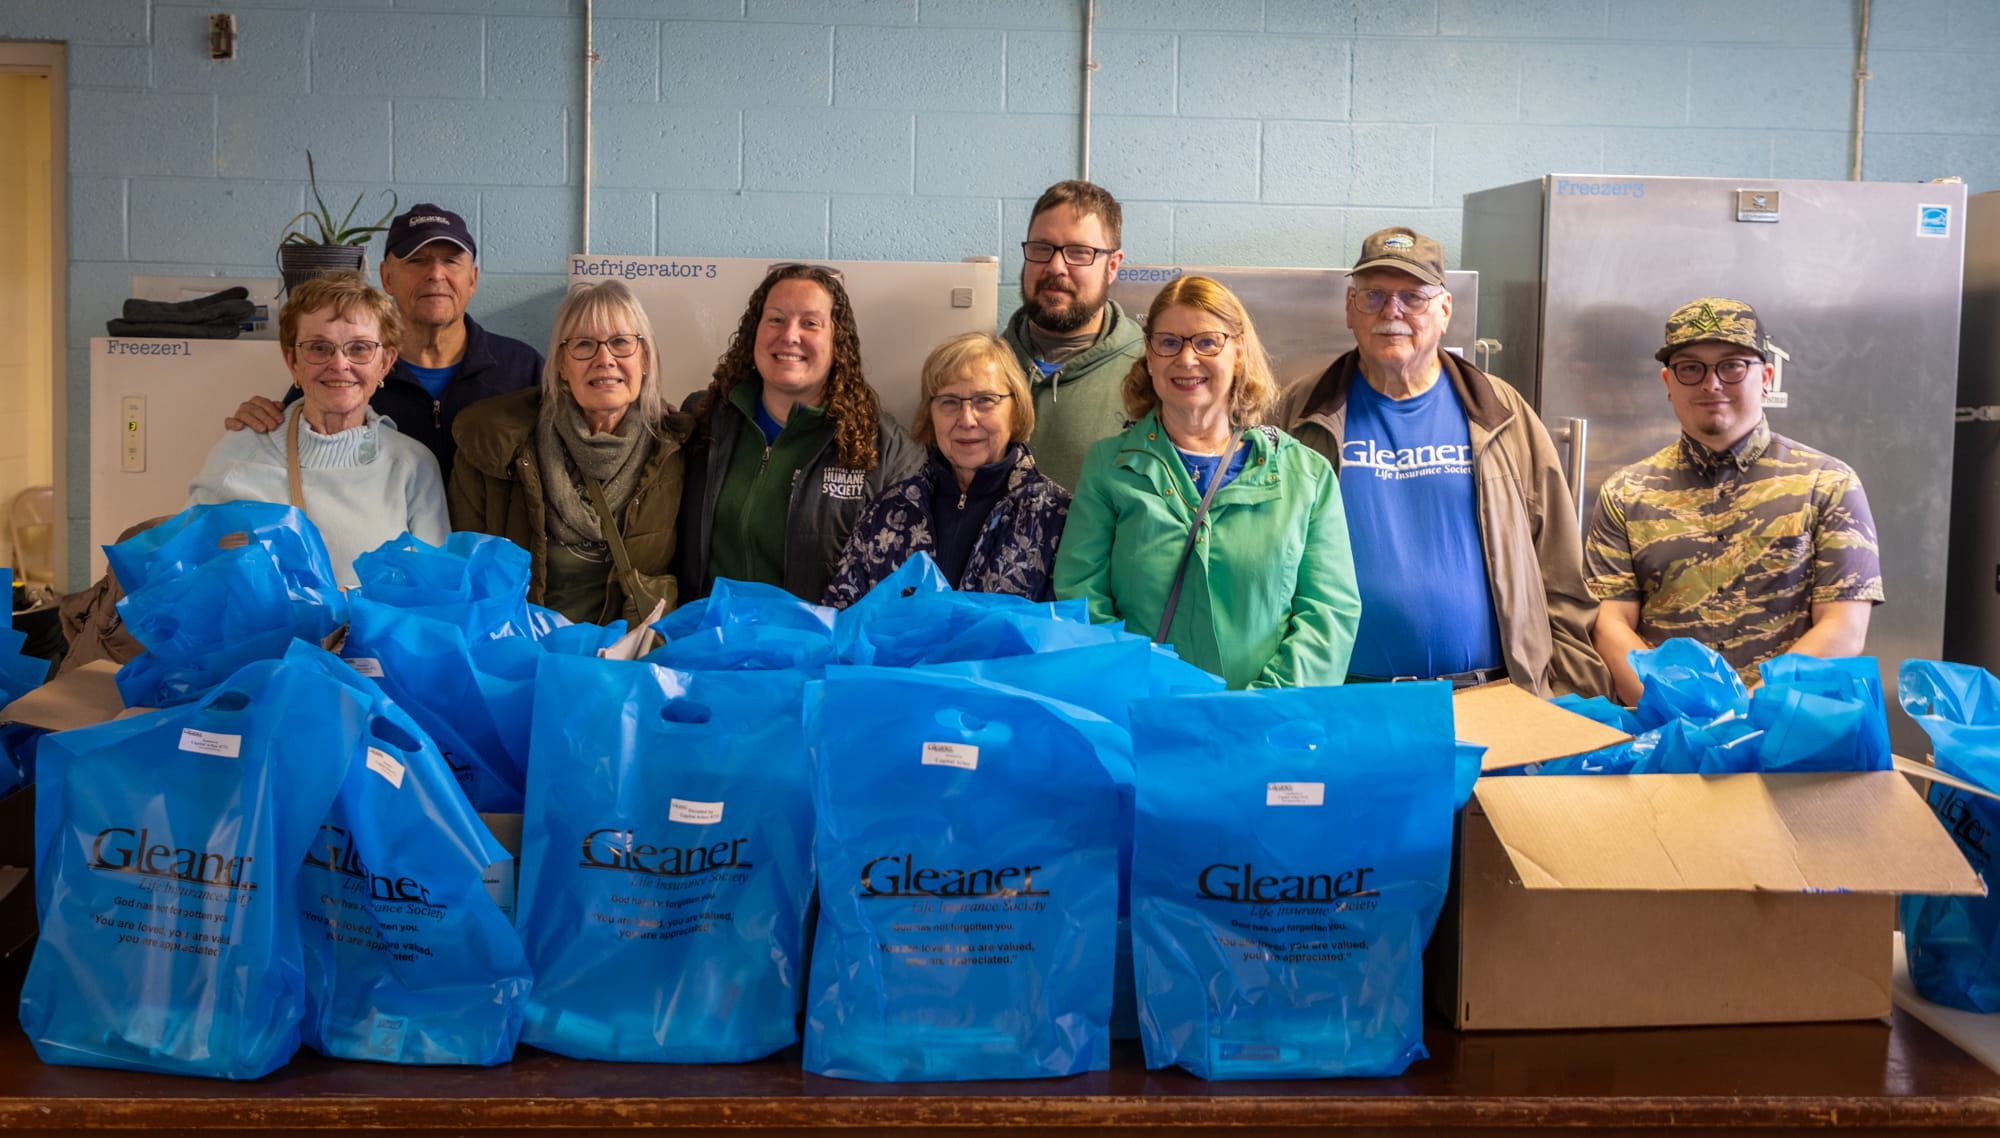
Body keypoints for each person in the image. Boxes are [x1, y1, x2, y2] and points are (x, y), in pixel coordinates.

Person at [1278, 226, 1607, 697]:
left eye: (1412, 297)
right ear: (1350, 309)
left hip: (1490, 696)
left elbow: (1559, 569)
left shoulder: (1502, 412)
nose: (1392, 312)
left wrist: (1569, 696)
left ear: (1445, 310)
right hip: (1342, 697)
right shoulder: (1300, 412)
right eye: (1373, 296)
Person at [1053, 275, 1359, 689]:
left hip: (1268, 731)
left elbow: (1328, 613)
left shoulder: (1306, 475)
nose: (1187, 359)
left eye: (1207, 342)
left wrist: (1261, 709)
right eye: (1168, 342)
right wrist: (1146, 693)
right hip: (1145, 717)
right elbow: (1081, 600)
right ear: (1149, 353)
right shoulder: (1109, 467)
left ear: (1238, 351)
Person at [1585, 297, 1883, 703]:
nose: (1711, 384)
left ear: (1767, 377)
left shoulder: (1827, 484)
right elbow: (1609, 623)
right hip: (1666, 735)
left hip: (1785, 733)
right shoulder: (1625, 493)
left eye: (1732, 366)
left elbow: (1843, 627)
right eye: (1690, 368)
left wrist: (1748, 712)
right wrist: (1674, 709)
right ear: (1668, 383)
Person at [227, 203, 544, 479]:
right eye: (417, 261)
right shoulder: (344, 374)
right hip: (380, 547)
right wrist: (261, 419)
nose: (435, 273)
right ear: (387, 277)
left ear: (472, 279)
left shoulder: (522, 368)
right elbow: (296, 436)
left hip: (495, 547)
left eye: (451, 261)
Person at [448, 281, 691, 625]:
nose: (604, 359)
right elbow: (465, 577)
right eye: (584, 345)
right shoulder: (492, 450)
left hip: (626, 664)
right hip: (524, 660)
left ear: (645, 358)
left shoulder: (676, 453)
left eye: (621, 343)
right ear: (562, 365)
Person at [678, 264, 923, 604]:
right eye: (776, 319)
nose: (790, 336)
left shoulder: (888, 451)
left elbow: (902, 590)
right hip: (706, 644)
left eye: (810, 323)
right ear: (755, 332)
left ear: (837, 340)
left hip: (820, 653)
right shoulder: (702, 421)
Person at [188, 272, 447, 589]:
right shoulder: (239, 453)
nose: (339, 365)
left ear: (385, 362)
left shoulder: (412, 464)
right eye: (319, 348)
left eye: (360, 348)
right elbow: (193, 579)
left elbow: (435, 591)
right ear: (292, 362)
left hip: (377, 639)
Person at [823, 333, 1071, 608]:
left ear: (1016, 409)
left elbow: (1068, 636)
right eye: (949, 401)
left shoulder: (1057, 516)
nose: (966, 419)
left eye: (985, 400)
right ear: (930, 413)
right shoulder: (888, 511)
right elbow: (842, 614)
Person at [1000, 180, 1146, 491]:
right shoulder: (983, 369)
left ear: (1112, 266)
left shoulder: (1153, 373)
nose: (1055, 267)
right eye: (1041, 248)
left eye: (1079, 253)